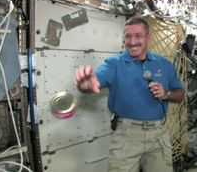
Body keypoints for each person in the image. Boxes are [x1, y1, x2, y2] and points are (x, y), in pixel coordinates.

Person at [74, 17, 185, 172]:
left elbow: (180, 94)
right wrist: (86, 85)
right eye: (128, 36)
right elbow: (95, 81)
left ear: (148, 37)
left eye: (138, 36)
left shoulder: (164, 64)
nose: (132, 41)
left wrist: (166, 94)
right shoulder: (114, 63)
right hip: (126, 136)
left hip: (158, 135)